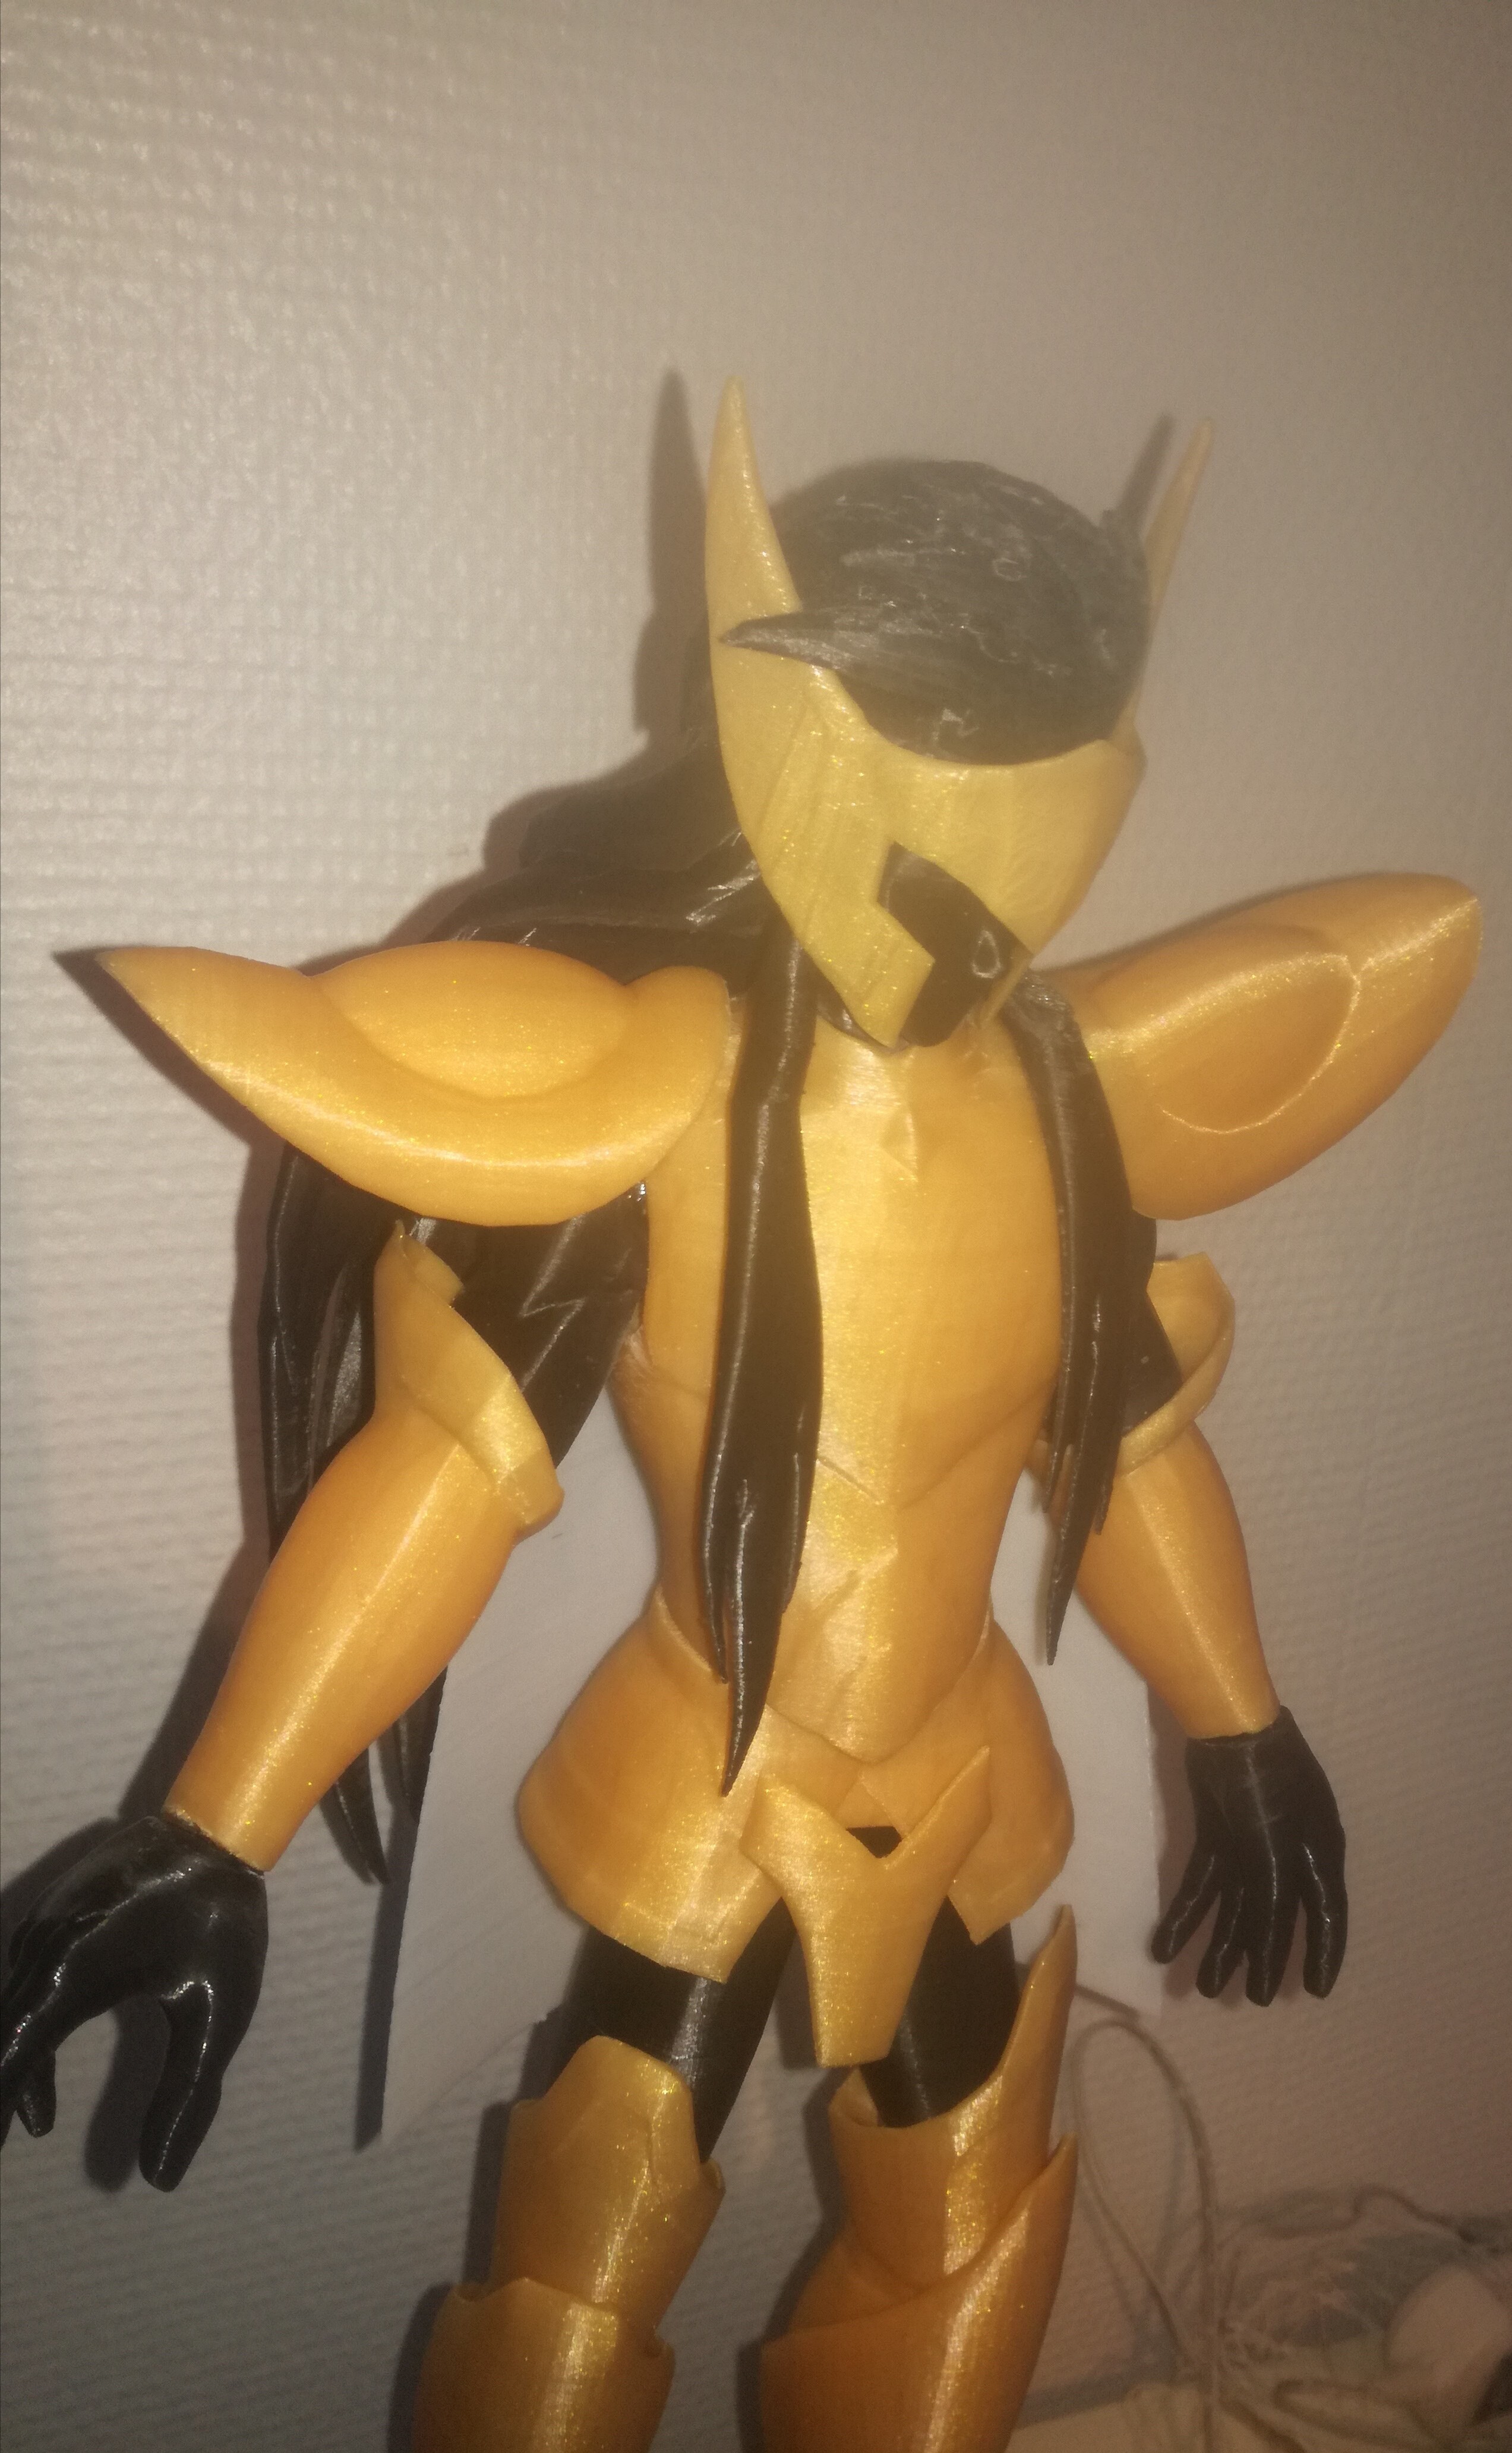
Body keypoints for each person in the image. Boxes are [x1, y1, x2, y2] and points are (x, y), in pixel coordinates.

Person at [0, 384, 1481, 2453]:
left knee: (966, 2248)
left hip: (955, 1761)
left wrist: (1239, 1716)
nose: (975, 905)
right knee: (578, 2273)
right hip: (705, 1767)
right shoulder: (658, 1088)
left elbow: (1122, 1438)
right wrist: (210, 1825)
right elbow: (449, 1462)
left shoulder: (1066, 1107)